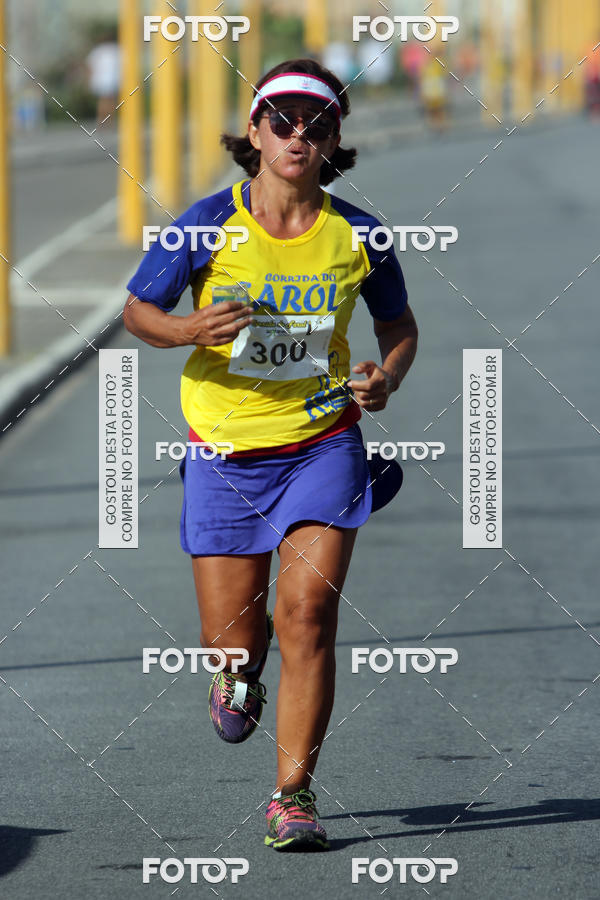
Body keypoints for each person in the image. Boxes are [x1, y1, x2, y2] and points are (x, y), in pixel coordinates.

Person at [123, 57, 418, 852]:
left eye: (316, 125)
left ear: (334, 140)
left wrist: (382, 379)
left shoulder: (359, 234)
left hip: (321, 443)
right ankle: (236, 673)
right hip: (223, 452)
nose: (298, 136)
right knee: (234, 637)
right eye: (281, 121)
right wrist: (189, 330)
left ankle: (293, 795)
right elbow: (138, 311)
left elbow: (399, 328)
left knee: (308, 616)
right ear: (252, 133)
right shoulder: (205, 225)